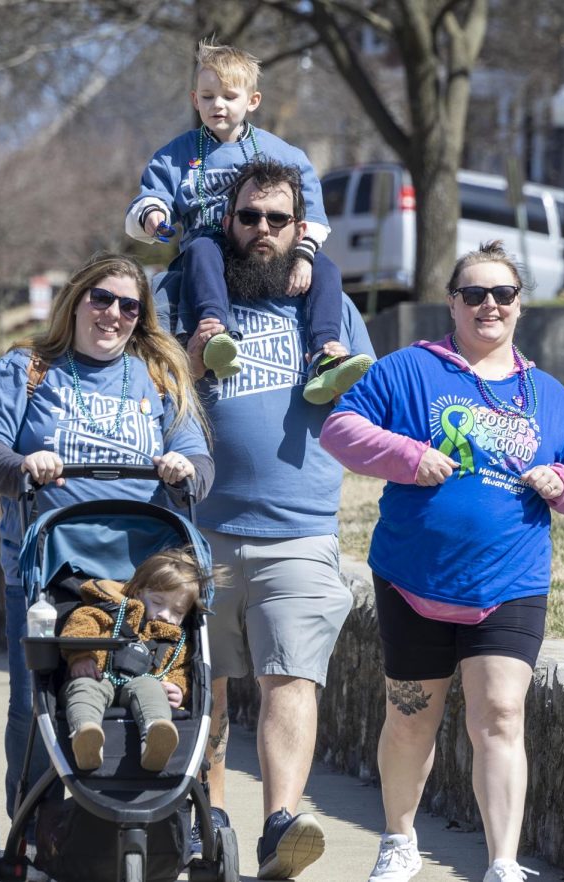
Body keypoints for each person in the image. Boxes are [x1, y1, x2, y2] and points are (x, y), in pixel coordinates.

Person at [319, 240, 564, 882]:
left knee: (501, 713)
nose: (488, 305)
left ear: (519, 306)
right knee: (410, 715)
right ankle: (398, 841)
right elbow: (341, 428)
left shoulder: (549, 396)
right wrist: (407, 457)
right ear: (451, 302)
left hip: (510, 580)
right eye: (473, 293)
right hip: (413, 576)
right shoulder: (409, 371)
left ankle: (503, 862)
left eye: (502, 294)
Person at [0, 250, 214, 821]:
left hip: (146, 579)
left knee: (163, 689)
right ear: (76, 302)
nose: (114, 314)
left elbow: (200, 459)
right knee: (35, 703)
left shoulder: (159, 374)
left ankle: (165, 817)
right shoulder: (28, 369)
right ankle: (36, 825)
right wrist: (23, 466)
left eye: (129, 305)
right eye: (101, 299)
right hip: (51, 570)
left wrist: (185, 467)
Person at [181, 158, 376, 879]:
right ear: (227, 224)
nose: (261, 232)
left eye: (277, 219)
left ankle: (280, 826)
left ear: (301, 229)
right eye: (249, 218)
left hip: (300, 530)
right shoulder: (189, 294)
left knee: (289, 679)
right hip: (199, 531)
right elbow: (150, 383)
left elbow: (366, 403)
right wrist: (193, 362)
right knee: (204, 685)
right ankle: (208, 824)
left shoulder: (326, 306)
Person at [126, 41, 372, 404]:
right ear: (195, 100)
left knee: (328, 268)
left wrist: (304, 256)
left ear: (252, 101)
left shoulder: (283, 153)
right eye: (208, 97)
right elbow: (152, 195)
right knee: (202, 246)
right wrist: (154, 216)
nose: (218, 106)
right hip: (204, 257)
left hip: (263, 256)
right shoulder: (176, 154)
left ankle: (325, 353)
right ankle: (214, 333)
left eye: (229, 96)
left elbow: (313, 213)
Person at [60, 547, 209, 773]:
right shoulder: (108, 610)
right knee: (83, 687)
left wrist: (179, 688)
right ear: (139, 592)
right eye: (158, 602)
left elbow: (182, 670)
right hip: (98, 675)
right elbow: (80, 625)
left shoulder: (176, 642)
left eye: (177, 612)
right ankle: (86, 734)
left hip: (143, 684)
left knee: (151, 688)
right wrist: (82, 655)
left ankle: (156, 737)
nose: (166, 615)